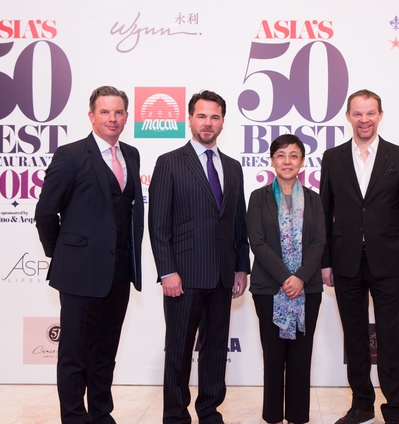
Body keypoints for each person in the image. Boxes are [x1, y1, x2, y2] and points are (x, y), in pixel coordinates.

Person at [35, 86, 144, 423]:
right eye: (105, 112)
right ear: (91, 116)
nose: (113, 118)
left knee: (105, 352)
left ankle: (101, 414)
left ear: (126, 117)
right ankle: (73, 417)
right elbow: (45, 214)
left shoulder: (131, 154)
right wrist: (65, 255)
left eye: (119, 112)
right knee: (74, 355)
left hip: (119, 272)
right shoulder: (70, 155)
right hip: (79, 273)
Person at [320, 89, 399, 424]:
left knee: (390, 338)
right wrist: (325, 261)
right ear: (348, 117)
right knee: (355, 337)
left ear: (380, 115)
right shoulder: (333, 157)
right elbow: (324, 213)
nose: (364, 120)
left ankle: (393, 408)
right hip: (345, 260)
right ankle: (362, 405)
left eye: (370, 113)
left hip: (390, 261)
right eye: (358, 113)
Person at [148, 90, 251, 424]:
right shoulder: (169, 162)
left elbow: (237, 222)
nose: (208, 123)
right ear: (190, 119)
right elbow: (158, 224)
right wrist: (167, 271)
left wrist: (241, 268)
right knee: (178, 350)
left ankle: (209, 412)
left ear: (223, 122)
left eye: (215, 117)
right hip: (184, 276)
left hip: (222, 276)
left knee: (216, 350)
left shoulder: (233, 167)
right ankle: (176, 416)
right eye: (202, 116)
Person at [246, 134, 326, 424]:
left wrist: (300, 278)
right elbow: (257, 242)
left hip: (307, 289)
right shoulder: (258, 198)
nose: (287, 161)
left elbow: (319, 241)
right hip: (269, 288)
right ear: (272, 160)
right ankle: (272, 416)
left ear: (302, 162)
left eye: (294, 155)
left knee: (301, 357)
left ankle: (297, 416)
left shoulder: (315, 200)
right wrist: (285, 278)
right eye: (281, 155)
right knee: (273, 355)